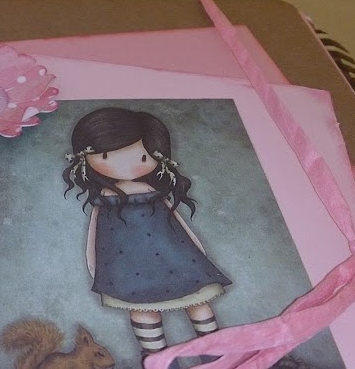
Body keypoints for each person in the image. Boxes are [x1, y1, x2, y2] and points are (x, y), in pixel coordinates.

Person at [62, 107, 231, 362]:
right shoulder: (104, 201)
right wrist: (94, 264)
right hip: (129, 268)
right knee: (142, 310)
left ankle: (216, 356)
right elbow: (95, 234)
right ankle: (158, 360)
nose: (125, 166)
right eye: (107, 155)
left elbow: (177, 223)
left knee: (197, 301)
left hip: (175, 258)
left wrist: (197, 251)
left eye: (142, 157)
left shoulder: (153, 193)